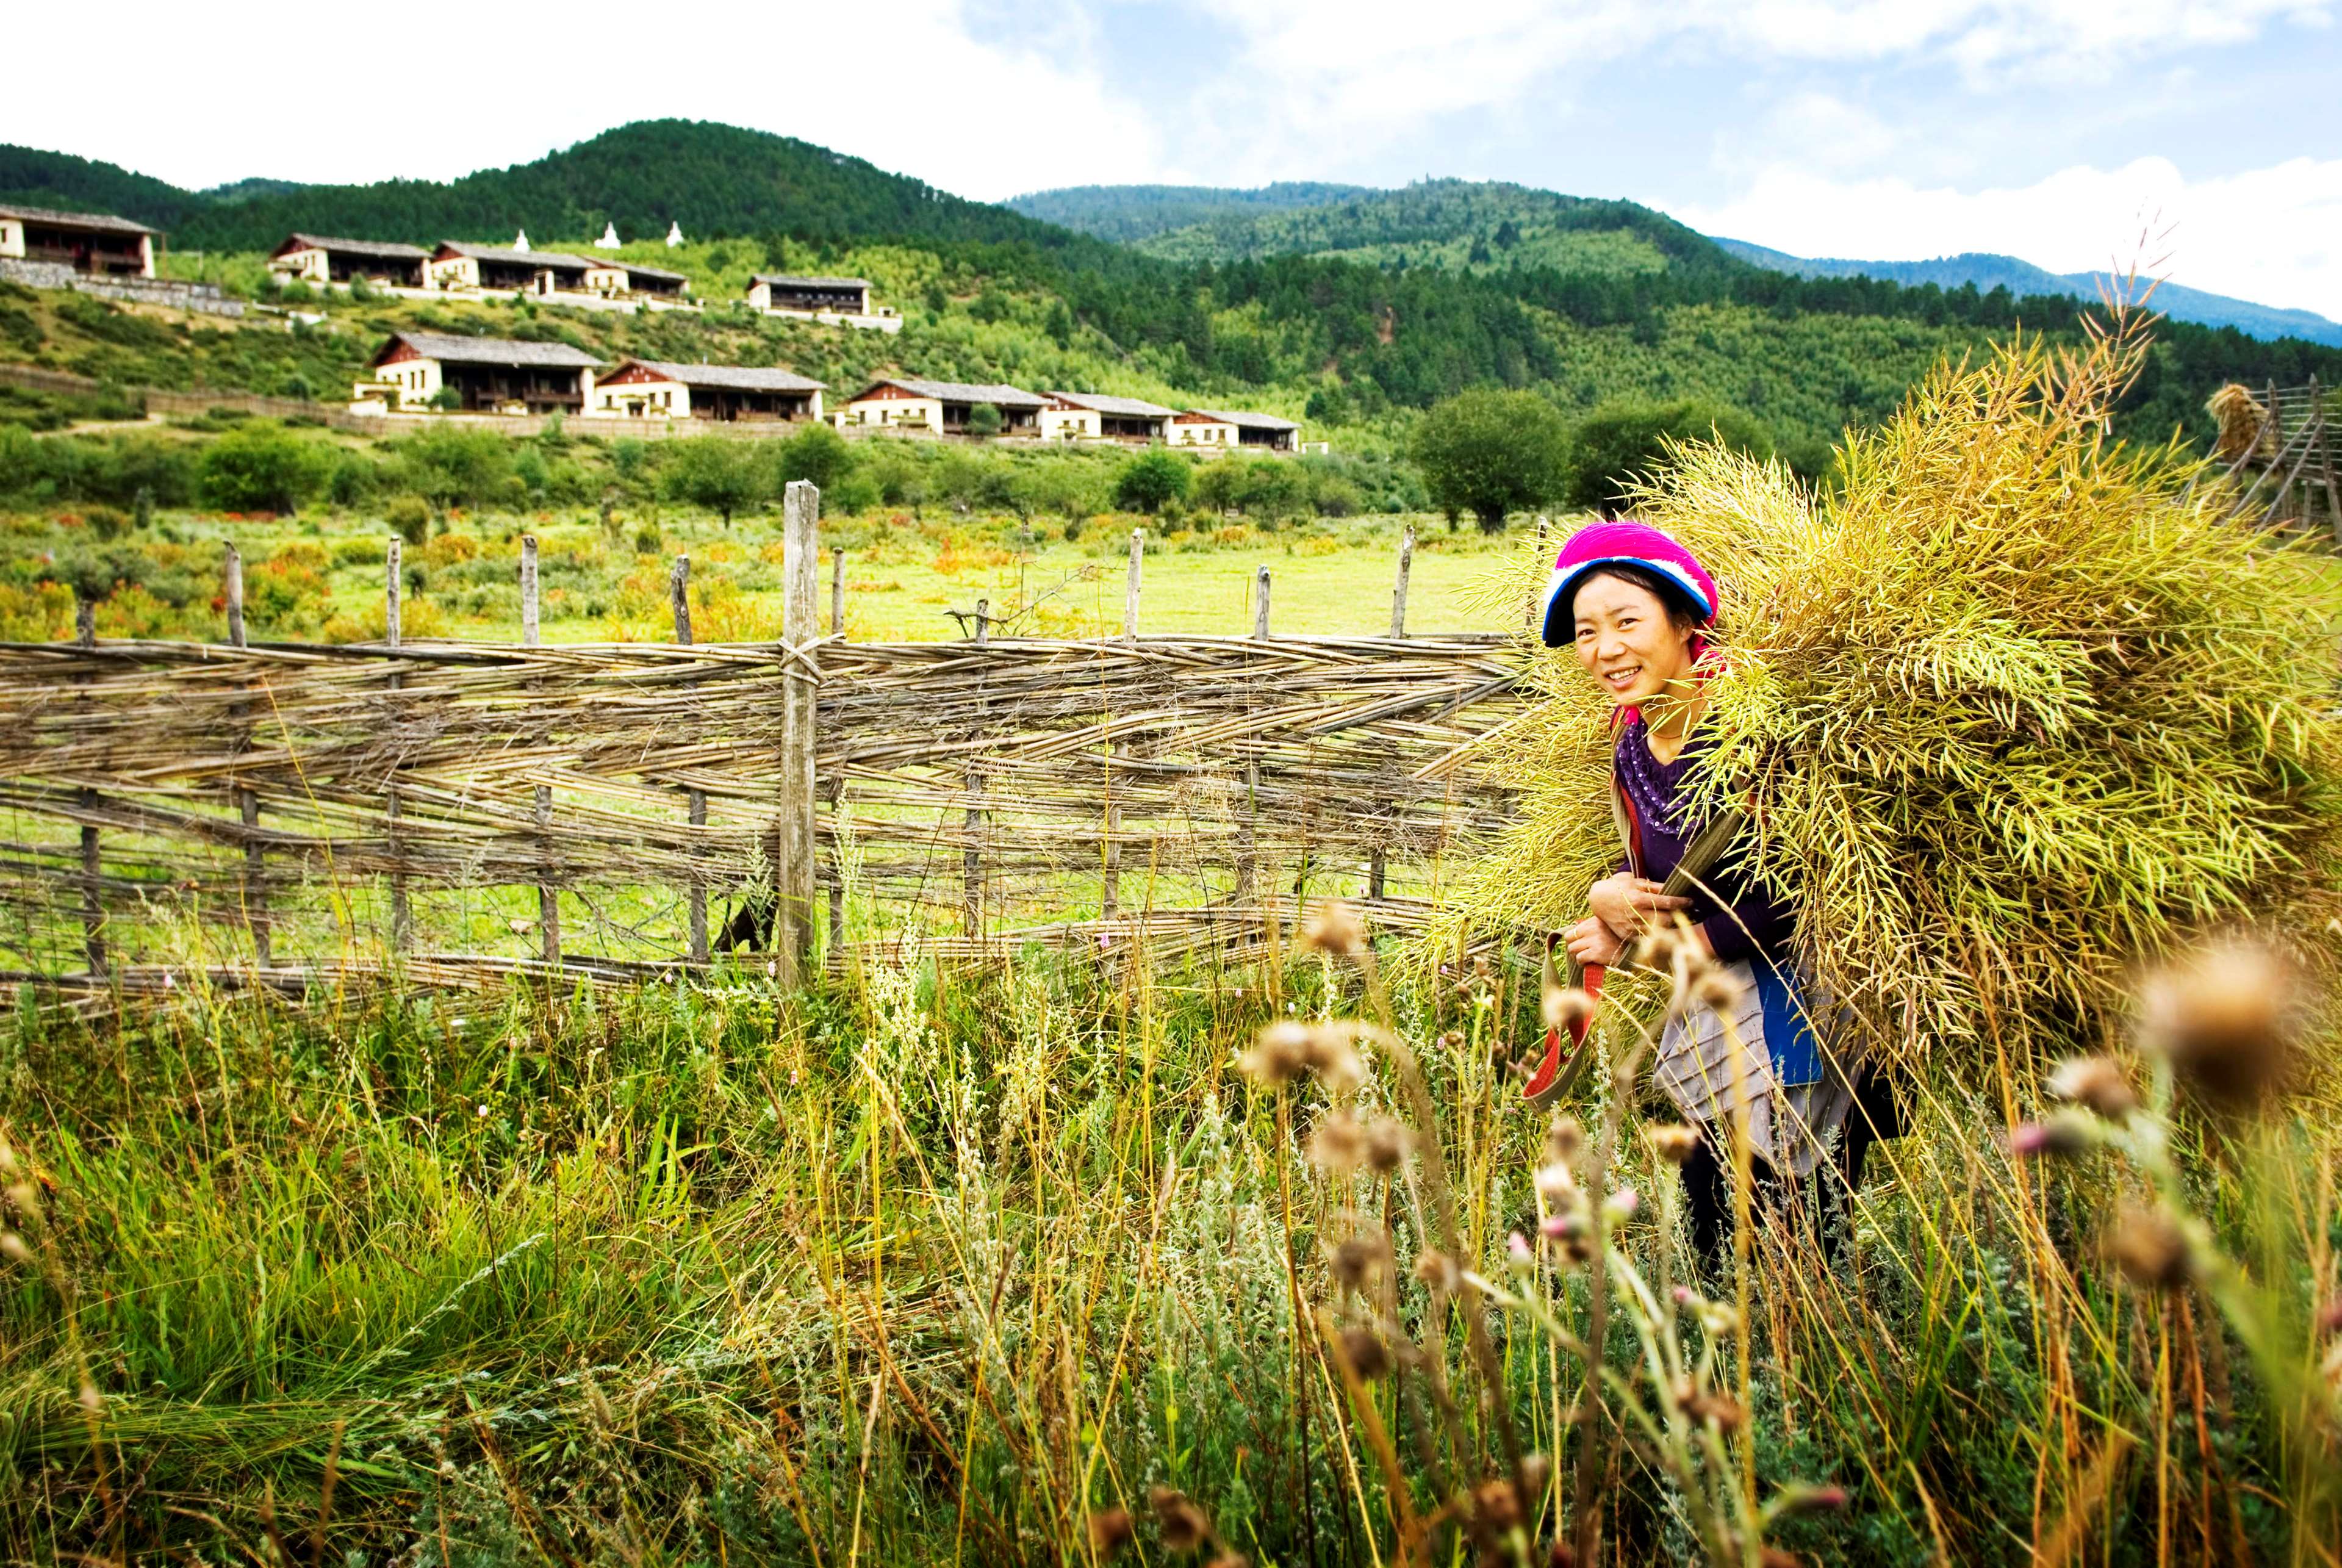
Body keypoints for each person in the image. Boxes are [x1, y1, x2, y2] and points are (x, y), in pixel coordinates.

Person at [1537, 520, 1894, 1270]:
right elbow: (1677, 869)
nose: (1605, 649)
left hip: (1803, 1009)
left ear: (1684, 620)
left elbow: (1807, 887)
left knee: (1791, 1228)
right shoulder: (1633, 735)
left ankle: (1808, 1373)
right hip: (1726, 1005)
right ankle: (1748, 1365)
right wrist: (1609, 897)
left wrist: (1651, 944)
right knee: (1718, 1227)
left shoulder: (1750, 728)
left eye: (1627, 621)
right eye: (1586, 631)